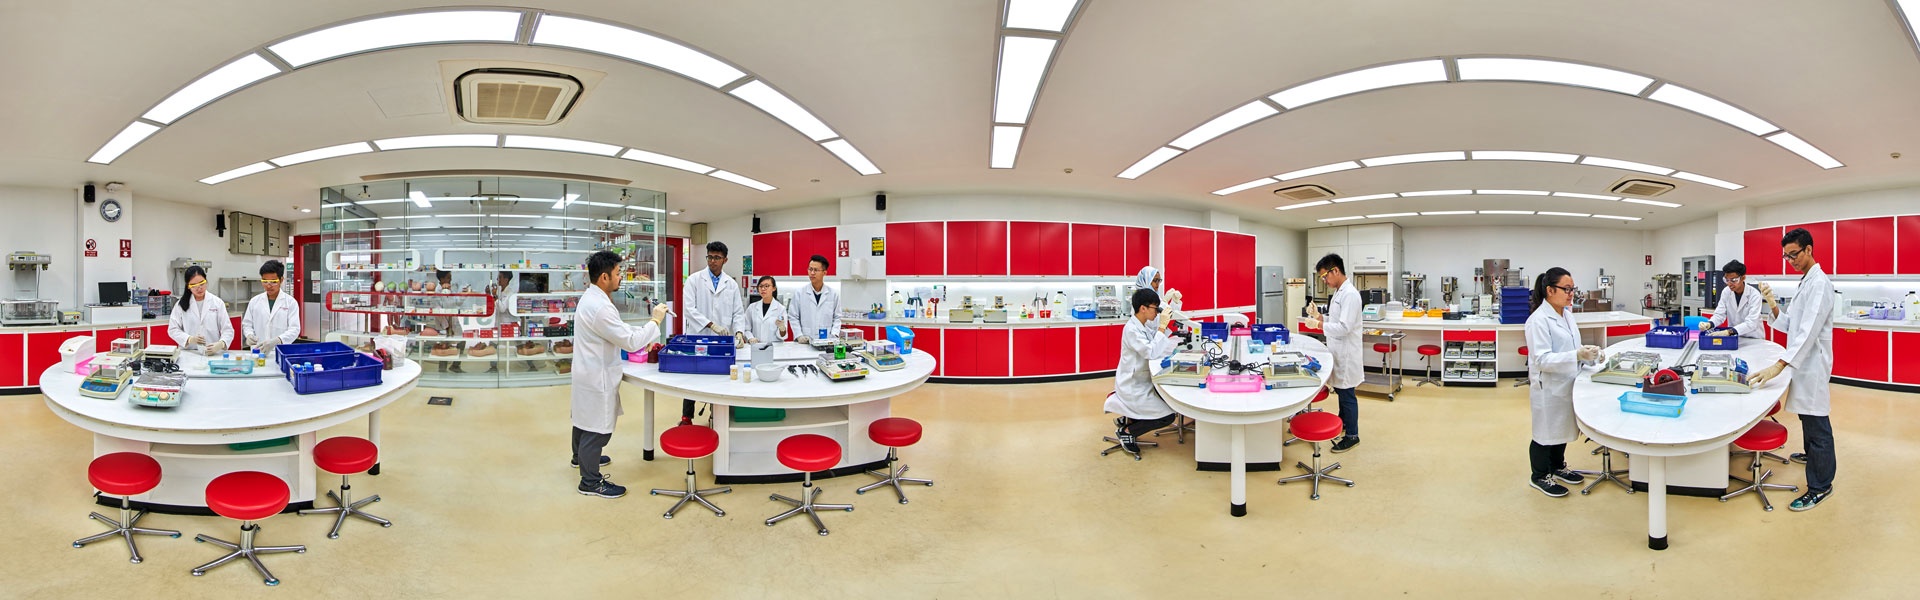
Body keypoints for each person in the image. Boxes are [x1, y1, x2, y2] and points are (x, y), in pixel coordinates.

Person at [1748, 227, 1837, 512]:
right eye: (1786, 257)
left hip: (1813, 364)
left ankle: (1821, 485)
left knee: (1818, 422)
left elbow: (1808, 332)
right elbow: (1792, 326)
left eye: (1794, 254)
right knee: (1807, 417)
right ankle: (1812, 455)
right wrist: (1772, 305)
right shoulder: (1805, 282)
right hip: (1804, 363)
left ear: (1809, 249)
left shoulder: (1820, 283)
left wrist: (1780, 365)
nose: (1791, 261)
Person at [571, 250, 672, 499]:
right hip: (597, 375)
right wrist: (655, 321)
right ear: (604, 277)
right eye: (618, 274)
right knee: (598, 428)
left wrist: (644, 333)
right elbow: (628, 341)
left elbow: (619, 330)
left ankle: (580, 458)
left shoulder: (593, 298)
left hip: (587, 371)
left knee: (584, 420)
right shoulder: (600, 307)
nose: (621, 278)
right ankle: (590, 481)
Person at [1523, 268, 1604, 497]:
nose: (1571, 294)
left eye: (1572, 289)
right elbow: (1541, 359)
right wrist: (1577, 355)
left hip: (1567, 380)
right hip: (1548, 386)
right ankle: (1539, 476)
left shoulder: (1567, 314)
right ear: (1550, 290)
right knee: (1545, 433)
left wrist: (1590, 355)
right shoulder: (1537, 320)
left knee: (1562, 429)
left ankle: (1558, 467)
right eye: (1566, 289)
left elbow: (1570, 346)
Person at [1102, 287, 1180, 458]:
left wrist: (1169, 310)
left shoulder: (1142, 325)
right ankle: (1128, 431)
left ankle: (1129, 419)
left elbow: (1157, 340)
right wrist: (1161, 327)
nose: (1157, 313)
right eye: (1155, 309)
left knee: (1164, 399)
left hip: (1141, 381)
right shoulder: (1131, 330)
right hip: (1132, 386)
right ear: (1143, 308)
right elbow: (1150, 351)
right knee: (1167, 416)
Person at [1301, 253, 1363, 453]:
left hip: (1347, 353)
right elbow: (1335, 320)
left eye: (1324, 277)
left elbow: (1344, 327)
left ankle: (1352, 435)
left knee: (1347, 395)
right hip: (1337, 350)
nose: (1324, 281)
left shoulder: (1351, 295)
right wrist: (1318, 315)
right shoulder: (1339, 292)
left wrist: (1318, 324)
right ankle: (1343, 424)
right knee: (1342, 393)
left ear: (1335, 270)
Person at [681, 241, 747, 425]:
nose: (712, 261)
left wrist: (740, 332)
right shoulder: (694, 280)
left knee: (718, 375)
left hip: (721, 340)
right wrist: (711, 325)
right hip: (698, 335)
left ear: (725, 260)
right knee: (693, 375)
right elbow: (689, 309)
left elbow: (738, 312)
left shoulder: (731, 284)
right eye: (710, 257)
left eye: (717, 258)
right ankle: (687, 417)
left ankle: (715, 415)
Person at [167, 265, 232, 356]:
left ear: (206, 281)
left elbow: (228, 330)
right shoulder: (180, 305)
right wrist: (189, 339)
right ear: (188, 286)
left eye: (202, 283)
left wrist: (221, 343)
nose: (199, 288)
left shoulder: (217, 303)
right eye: (194, 285)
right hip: (189, 353)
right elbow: (173, 329)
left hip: (213, 353)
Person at [241, 260, 300, 355]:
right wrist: (249, 335)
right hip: (258, 351)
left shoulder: (290, 302)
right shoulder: (255, 301)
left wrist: (278, 340)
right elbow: (247, 324)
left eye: (273, 282)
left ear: (281, 280)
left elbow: (294, 329)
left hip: (281, 351)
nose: (268, 285)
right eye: (265, 281)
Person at [1700, 260, 1764, 339]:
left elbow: (1751, 322)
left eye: (1733, 280)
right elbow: (1720, 314)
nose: (1729, 284)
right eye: (1727, 280)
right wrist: (1710, 324)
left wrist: (1728, 332)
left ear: (1743, 277)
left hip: (1753, 338)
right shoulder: (1726, 292)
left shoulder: (1754, 295)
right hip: (1734, 337)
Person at [790, 255, 841, 345]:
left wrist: (834, 335)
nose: (812, 273)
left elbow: (837, 317)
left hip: (826, 340)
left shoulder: (833, 294)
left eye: (816, 270)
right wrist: (799, 335)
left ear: (824, 273)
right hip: (805, 340)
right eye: (810, 269)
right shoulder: (800, 293)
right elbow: (793, 316)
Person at [745, 276, 789, 344]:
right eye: (760, 286)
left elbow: (782, 336)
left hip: (775, 348)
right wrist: (750, 338)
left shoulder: (780, 309)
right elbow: (746, 328)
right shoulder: (752, 308)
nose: (763, 289)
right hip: (756, 347)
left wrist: (782, 328)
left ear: (774, 288)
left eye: (767, 286)